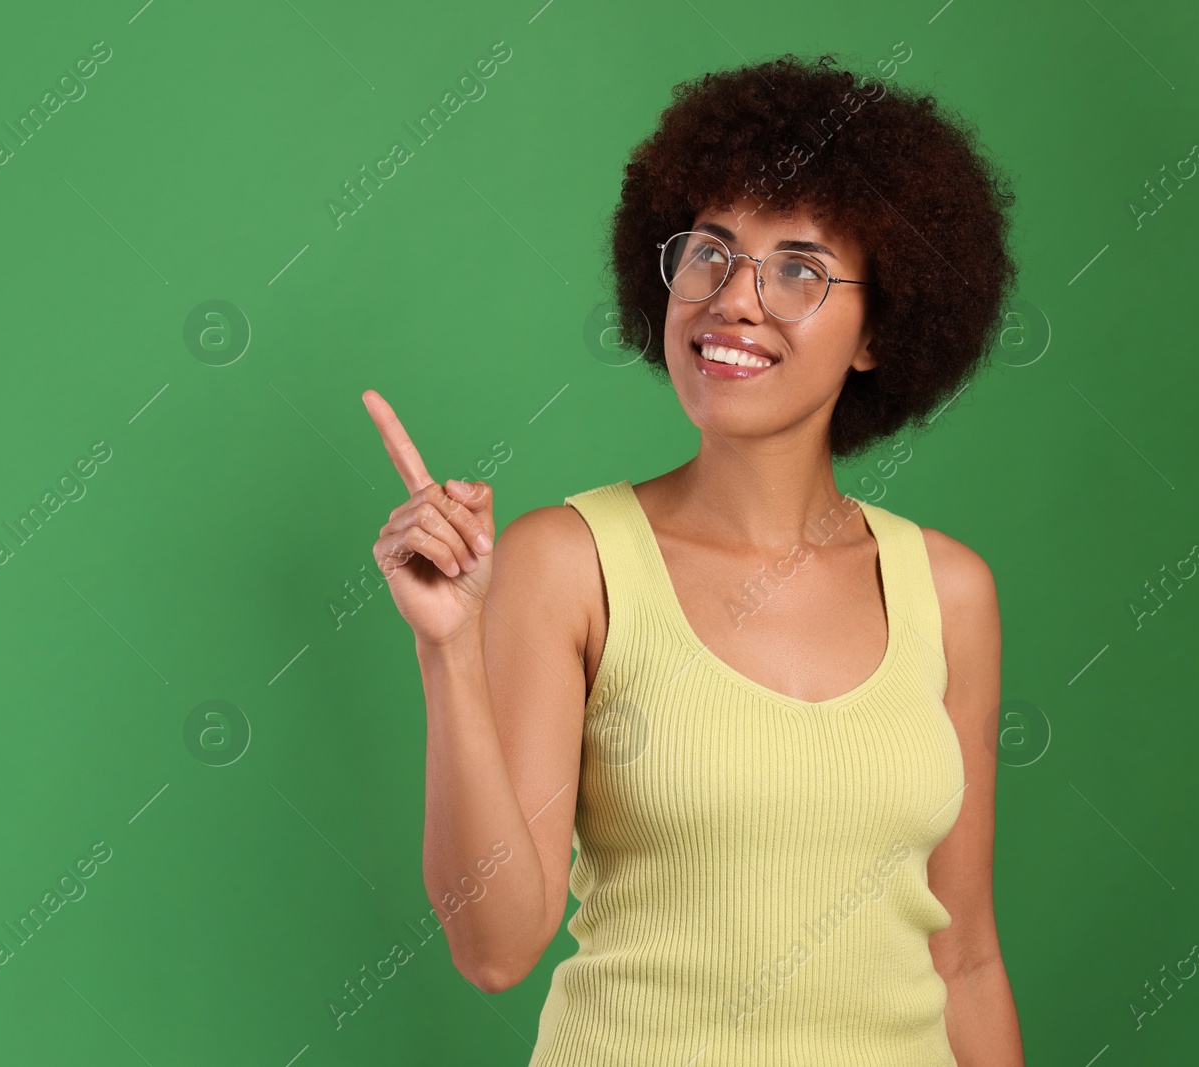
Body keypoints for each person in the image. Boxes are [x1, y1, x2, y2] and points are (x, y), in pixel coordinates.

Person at [362, 53, 1022, 1065]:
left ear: (877, 332)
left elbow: (965, 958)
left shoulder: (949, 591)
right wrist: (448, 649)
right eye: (710, 252)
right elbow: (493, 947)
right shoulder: (568, 562)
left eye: (798, 270)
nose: (733, 300)